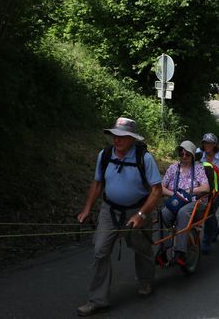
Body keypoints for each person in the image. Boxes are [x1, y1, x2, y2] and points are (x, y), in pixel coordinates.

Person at [77, 118, 162, 317]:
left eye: (122, 136)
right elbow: (97, 183)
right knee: (100, 251)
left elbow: (156, 191)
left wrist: (141, 214)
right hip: (110, 210)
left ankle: (146, 281)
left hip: (136, 210)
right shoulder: (104, 155)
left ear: (132, 139)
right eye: (115, 135)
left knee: (141, 249)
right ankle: (98, 300)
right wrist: (87, 209)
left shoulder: (144, 158)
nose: (117, 140)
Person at [158, 141, 210, 266]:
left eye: (187, 154)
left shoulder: (198, 169)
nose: (184, 156)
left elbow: (206, 188)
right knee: (163, 213)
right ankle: (164, 250)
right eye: (181, 153)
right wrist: (175, 195)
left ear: (192, 155)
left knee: (183, 212)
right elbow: (161, 187)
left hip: (193, 201)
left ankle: (180, 252)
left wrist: (189, 192)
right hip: (175, 201)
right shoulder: (173, 168)